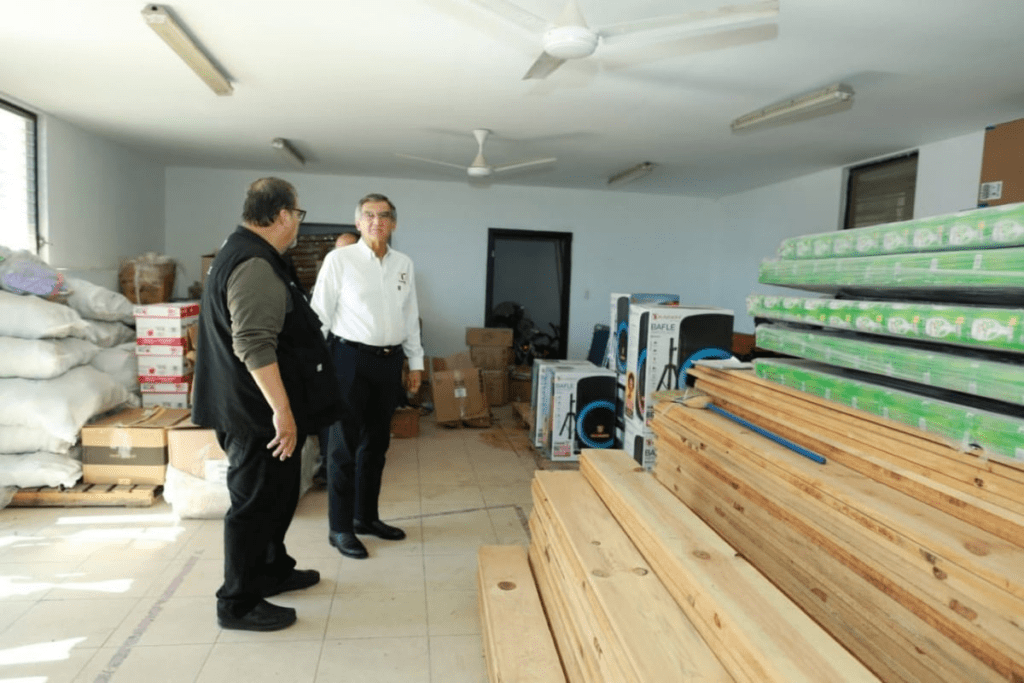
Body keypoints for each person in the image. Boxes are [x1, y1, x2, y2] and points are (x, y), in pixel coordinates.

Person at [192, 177, 342, 631]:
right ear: (281, 216)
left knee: (277, 497)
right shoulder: (254, 265)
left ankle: (271, 569)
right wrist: (282, 411)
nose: (297, 222)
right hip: (255, 414)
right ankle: (237, 601)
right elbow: (254, 344)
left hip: (254, 408)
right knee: (254, 505)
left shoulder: (246, 252)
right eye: (297, 213)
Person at [311, 193, 424, 559]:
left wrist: (416, 362)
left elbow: (410, 316)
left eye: (385, 215)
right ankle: (340, 528)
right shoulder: (340, 260)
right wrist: (314, 366)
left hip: (388, 363)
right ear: (358, 222)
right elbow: (319, 314)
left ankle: (366, 518)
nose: (378, 221)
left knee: (376, 445)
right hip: (349, 360)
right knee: (343, 448)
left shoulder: (403, 264)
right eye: (370, 215)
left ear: (394, 223)